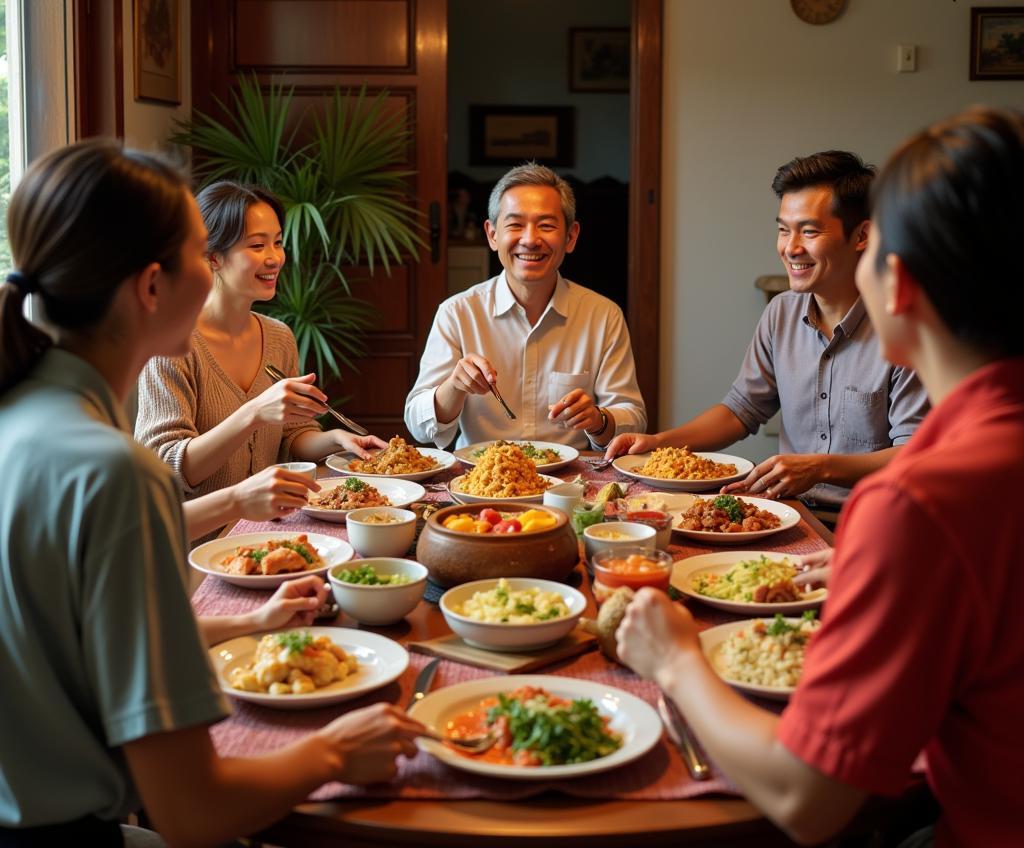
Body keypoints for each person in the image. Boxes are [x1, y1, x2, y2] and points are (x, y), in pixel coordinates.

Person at [616, 107, 1024, 846]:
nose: (792, 250)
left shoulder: (916, 502)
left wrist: (671, 659)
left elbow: (807, 801)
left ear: (893, 280)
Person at [0, 141, 422, 845]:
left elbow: (78, 640)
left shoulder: (24, 417)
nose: (231, 267)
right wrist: (337, 750)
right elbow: (194, 811)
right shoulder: (113, 473)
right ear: (152, 286)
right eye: (204, 253)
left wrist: (247, 626)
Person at [606, 150, 928, 515]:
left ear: (862, 235)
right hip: (787, 513)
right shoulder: (781, 313)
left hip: (871, 520)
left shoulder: (902, 325)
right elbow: (740, 411)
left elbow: (913, 453)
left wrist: (820, 468)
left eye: (808, 231)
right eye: (782, 230)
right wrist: (659, 442)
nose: (790, 248)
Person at [136, 180, 385, 516]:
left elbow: (292, 435)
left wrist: (336, 440)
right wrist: (253, 413)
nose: (274, 259)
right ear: (213, 257)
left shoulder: (279, 337)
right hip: (197, 547)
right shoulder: (171, 344)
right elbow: (167, 468)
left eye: (278, 243)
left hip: (267, 533)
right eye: (256, 246)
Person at [405, 163, 646, 450]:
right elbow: (418, 426)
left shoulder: (604, 316)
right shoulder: (457, 313)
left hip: (570, 485)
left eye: (546, 225)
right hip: (482, 481)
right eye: (515, 224)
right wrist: (454, 387)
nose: (530, 240)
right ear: (492, 235)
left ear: (571, 237)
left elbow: (633, 416)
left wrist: (599, 419)